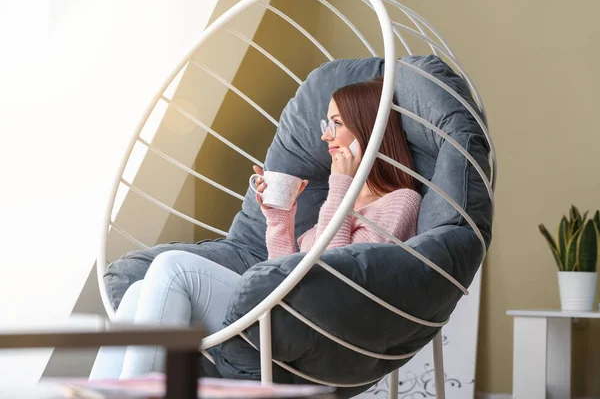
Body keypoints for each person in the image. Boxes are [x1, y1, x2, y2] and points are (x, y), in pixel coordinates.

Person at [89, 77, 422, 380]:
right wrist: (281, 219)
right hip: (283, 312)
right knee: (137, 291)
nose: (325, 136)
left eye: (336, 124)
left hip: (313, 330)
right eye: (326, 123)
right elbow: (285, 273)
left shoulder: (399, 201)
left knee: (172, 267)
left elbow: (334, 279)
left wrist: (341, 186)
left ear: (367, 129)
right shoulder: (344, 196)